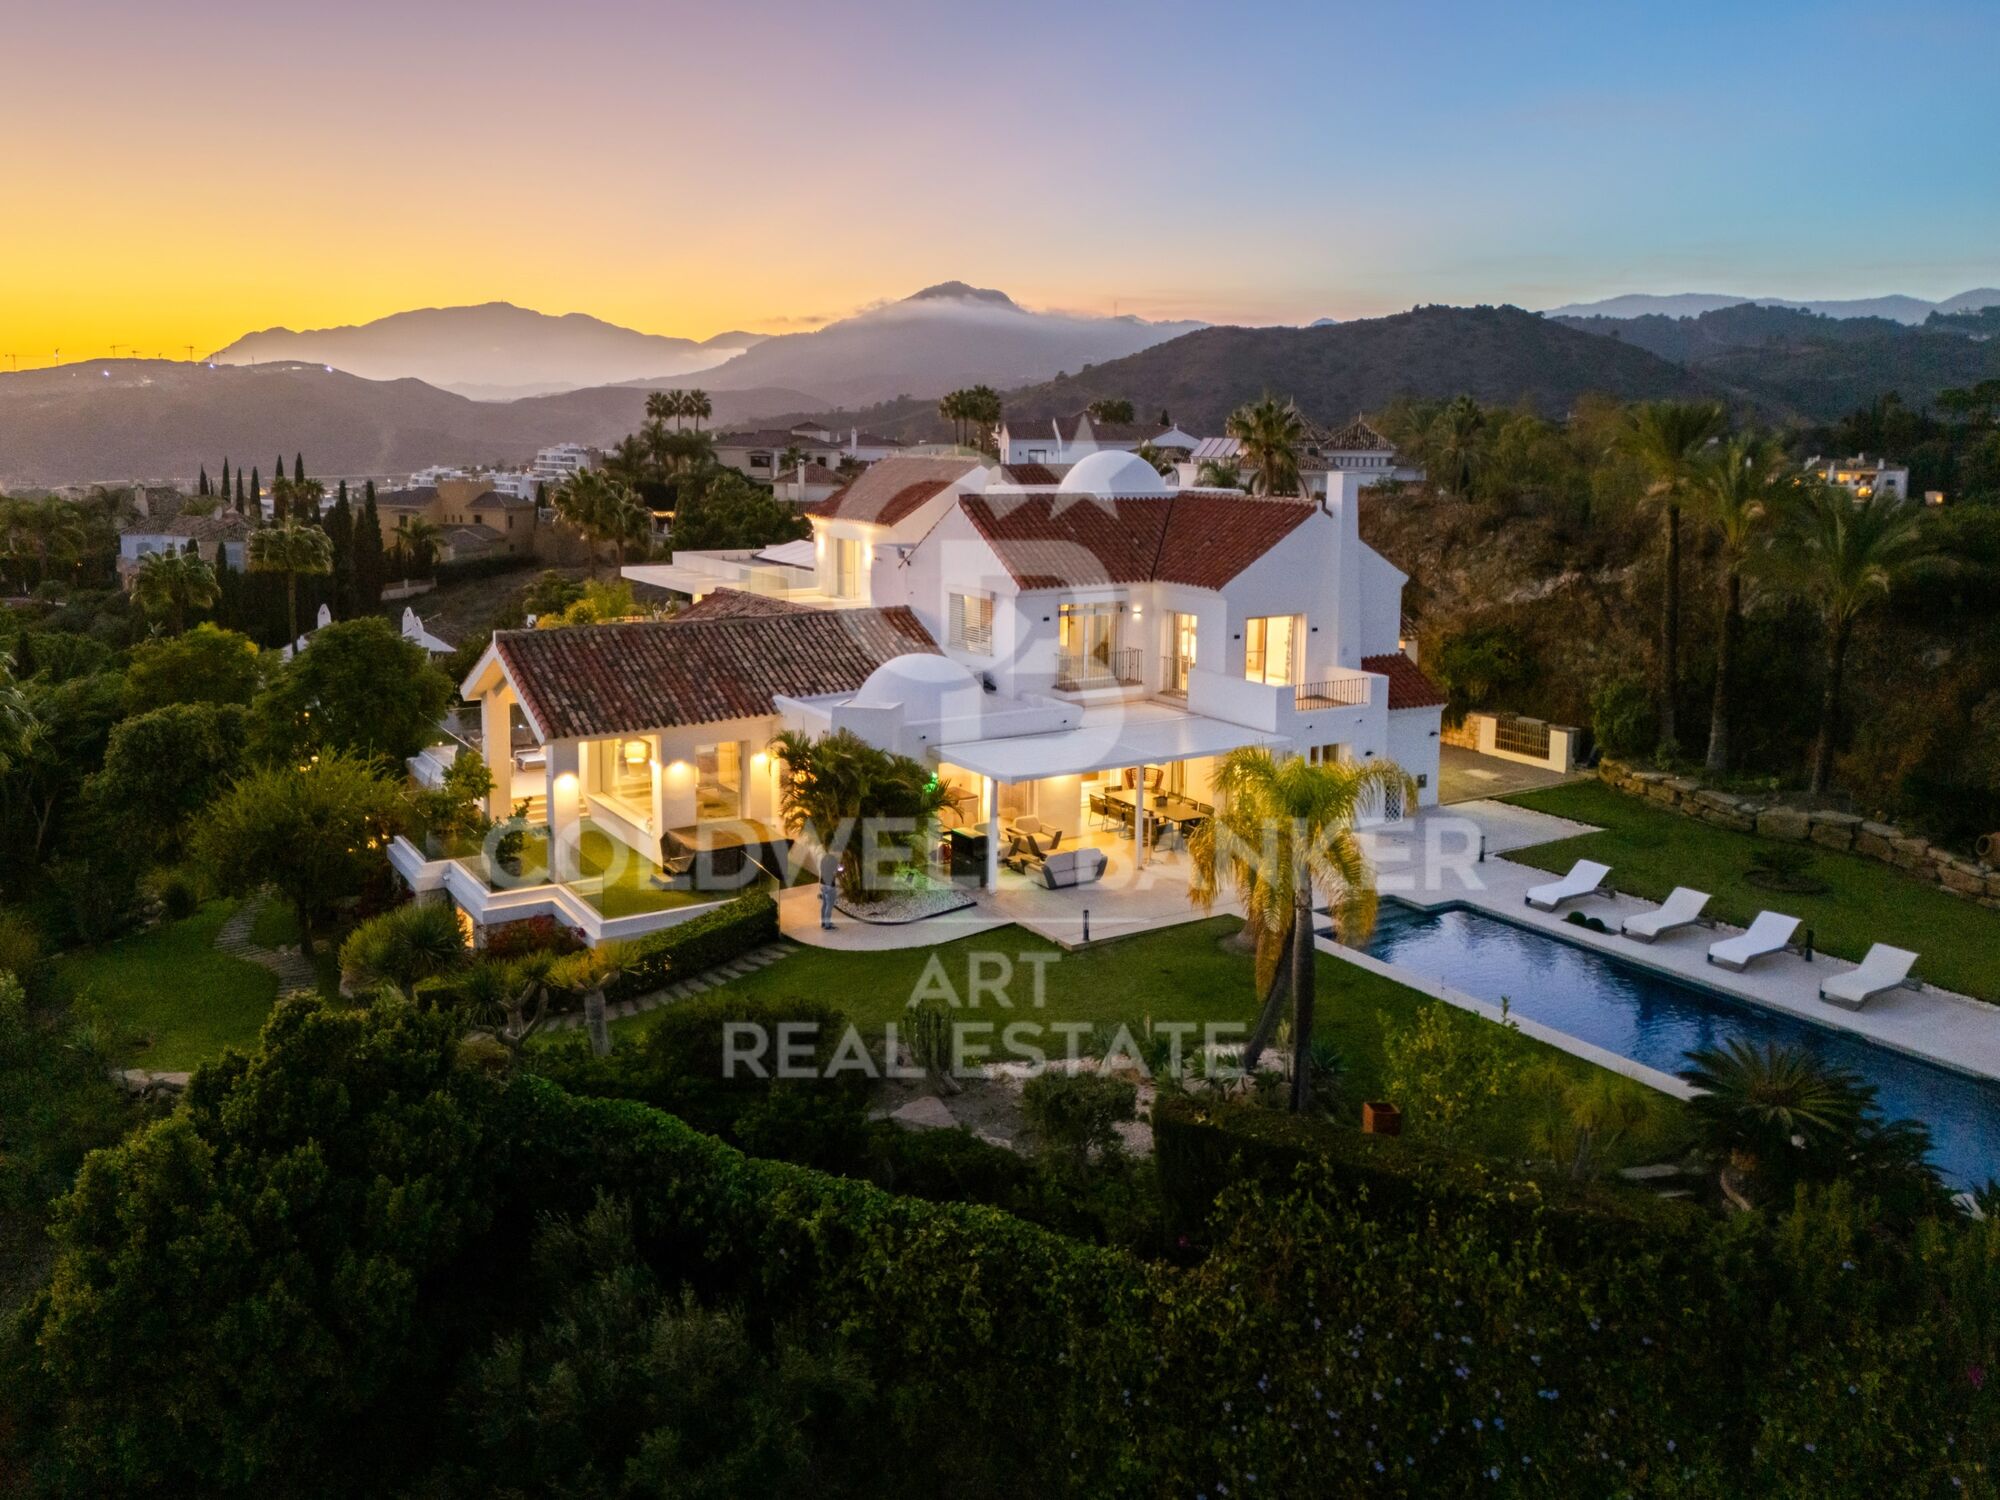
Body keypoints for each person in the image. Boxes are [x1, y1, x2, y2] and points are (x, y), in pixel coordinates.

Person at [818, 848, 840, 930]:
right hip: (830, 885)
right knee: (829, 906)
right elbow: (835, 871)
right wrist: (840, 869)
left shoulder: (824, 858)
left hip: (823, 884)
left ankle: (823, 922)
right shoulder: (833, 860)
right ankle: (827, 925)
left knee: (824, 905)